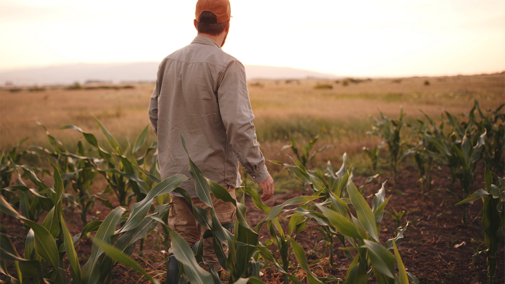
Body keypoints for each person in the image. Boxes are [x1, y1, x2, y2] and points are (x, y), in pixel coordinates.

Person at [148, 0, 274, 282]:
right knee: (213, 254)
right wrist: (260, 172)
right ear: (227, 25)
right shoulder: (228, 65)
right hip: (214, 182)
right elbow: (238, 125)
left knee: (180, 249)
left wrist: (175, 153)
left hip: (176, 178)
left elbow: (155, 114)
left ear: (195, 24)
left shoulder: (168, 62)